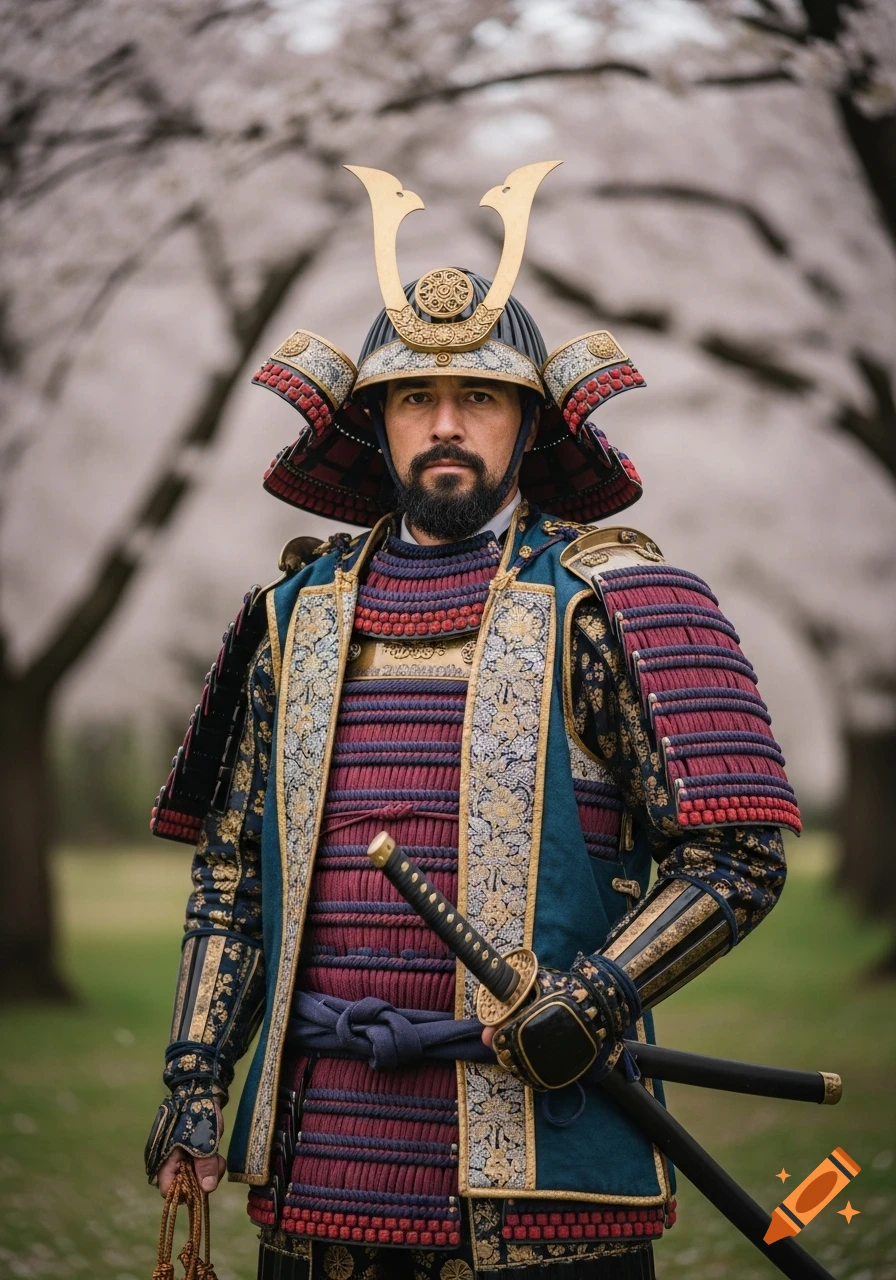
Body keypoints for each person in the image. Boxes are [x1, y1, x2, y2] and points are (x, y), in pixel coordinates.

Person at [145, 164, 798, 1280]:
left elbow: (735, 853)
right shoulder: (291, 617)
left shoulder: (615, 606)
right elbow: (233, 877)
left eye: (479, 397)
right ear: (376, 419)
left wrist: (593, 996)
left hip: (545, 1162)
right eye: (414, 398)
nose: (445, 424)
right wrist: (197, 1079)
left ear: (528, 419)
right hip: (318, 1169)